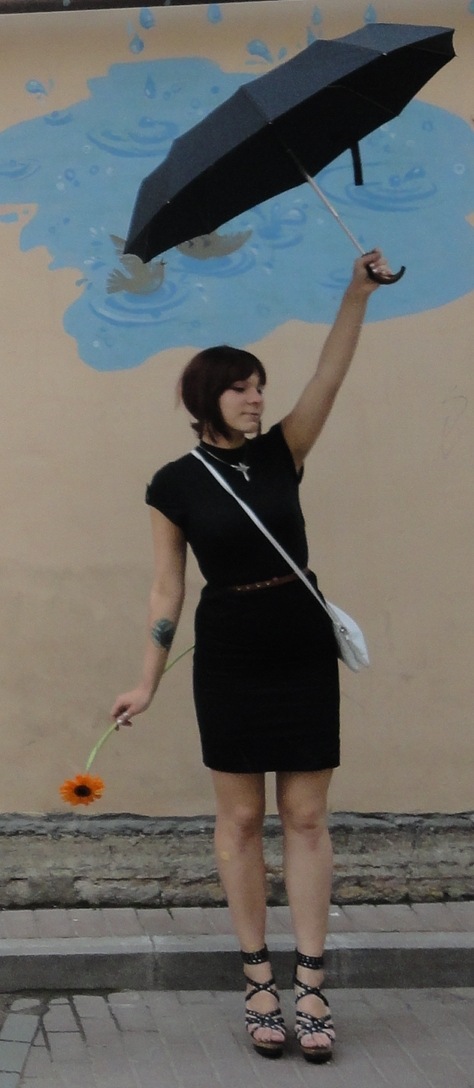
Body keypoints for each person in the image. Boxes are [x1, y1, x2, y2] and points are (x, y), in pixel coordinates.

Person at [112, 249, 389, 1063]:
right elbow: (166, 589)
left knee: (305, 817)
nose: (257, 397)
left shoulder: (282, 453)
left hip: (299, 642)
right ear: (207, 397)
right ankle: (258, 980)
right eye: (241, 387)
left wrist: (356, 293)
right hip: (229, 650)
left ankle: (312, 984)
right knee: (239, 819)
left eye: (261, 385)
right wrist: (146, 681)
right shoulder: (173, 483)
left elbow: (330, 376)